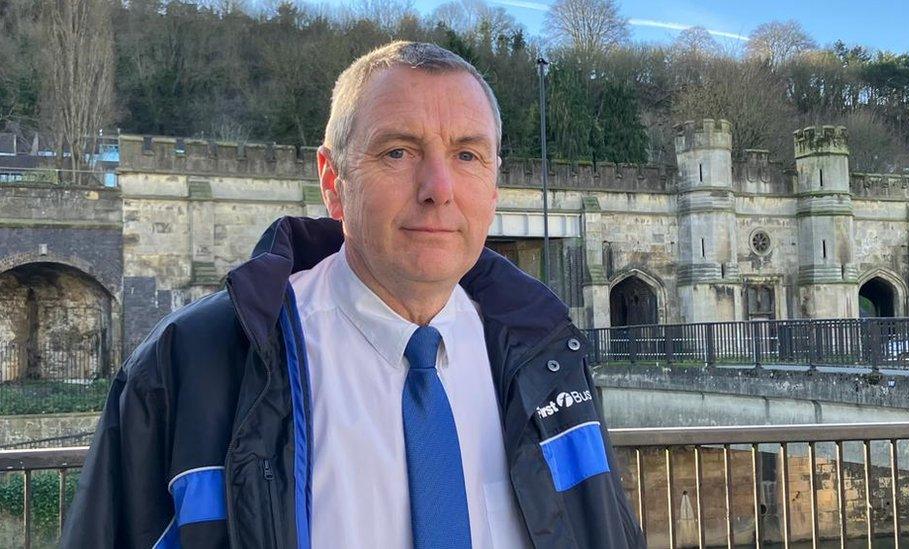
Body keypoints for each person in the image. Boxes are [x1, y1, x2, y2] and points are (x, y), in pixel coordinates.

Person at [61, 41, 644, 549]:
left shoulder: (548, 356)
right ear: (333, 182)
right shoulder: (192, 365)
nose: (438, 189)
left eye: (467, 154)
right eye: (397, 152)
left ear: (494, 184)